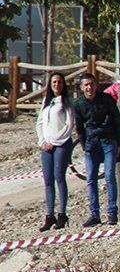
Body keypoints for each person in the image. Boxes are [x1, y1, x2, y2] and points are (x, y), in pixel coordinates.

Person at [73, 73, 120, 227]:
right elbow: (79, 127)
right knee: (91, 179)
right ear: (82, 87)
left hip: (108, 141)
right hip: (91, 144)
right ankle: (95, 214)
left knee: (109, 176)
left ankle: (112, 213)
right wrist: (84, 145)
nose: (89, 87)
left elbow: (117, 121)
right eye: (86, 85)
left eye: (91, 84)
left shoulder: (107, 99)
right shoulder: (78, 104)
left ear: (96, 85)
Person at [35, 73, 75, 231]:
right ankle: (49, 215)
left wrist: (54, 141)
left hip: (61, 144)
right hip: (46, 145)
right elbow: (39, 123)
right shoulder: (47, 101)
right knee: (48, 180)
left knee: (59, 177)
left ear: (63, 84)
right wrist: (43, 141)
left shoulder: (66, 102)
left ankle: (62, 214)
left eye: (59, 82)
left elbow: (69, 125)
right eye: (54, 82)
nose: (56, 84)